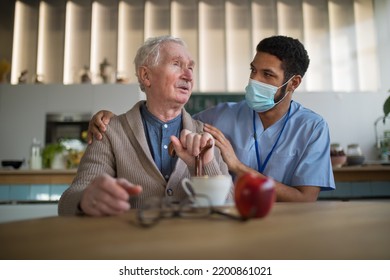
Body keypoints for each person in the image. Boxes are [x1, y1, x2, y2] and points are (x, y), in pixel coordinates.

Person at [87, 35, 336, 202]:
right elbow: (165, 120)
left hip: (287, 228)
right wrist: (112, 120)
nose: (254, 80)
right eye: (253, 70)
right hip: (232, 224)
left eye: (267, 75)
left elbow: (305, 199)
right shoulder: (219, 117)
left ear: (293, 83)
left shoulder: (312, 127)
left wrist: (238, 167)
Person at [58, 35, 230, 216]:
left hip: (191, 243)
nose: (188, 76)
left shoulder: (205, 135)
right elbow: (67, 202)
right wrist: (86, 199)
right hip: (131, 242)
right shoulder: (110, 132)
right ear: (146, 76)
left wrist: (207, 164)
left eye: (190, 67)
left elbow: (230, 205)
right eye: (176, 64)